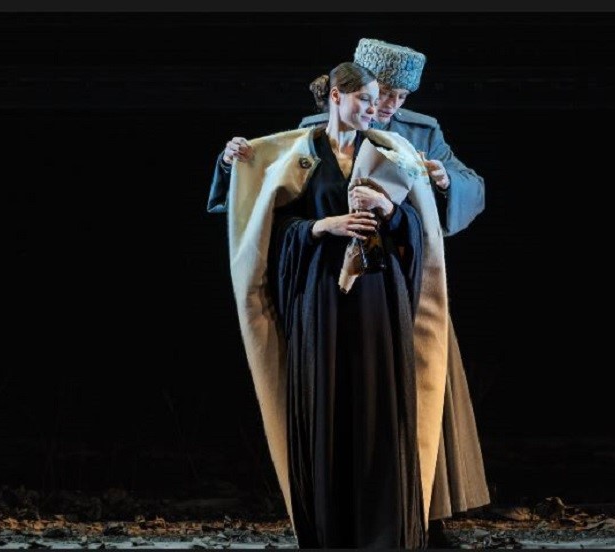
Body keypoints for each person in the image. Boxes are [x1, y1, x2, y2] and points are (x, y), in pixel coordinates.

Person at [208, 39, 490, 543]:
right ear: (344, 92)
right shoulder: (310, 135)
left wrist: (443, 182)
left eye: (399, 98)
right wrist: (233, 166)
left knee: (419, 409)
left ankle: (420, 517)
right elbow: (263, 197)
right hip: (326, 300)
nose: (388, 106)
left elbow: (469, 188)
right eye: (382, 94)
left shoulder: (419, 134)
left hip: (398, 292)